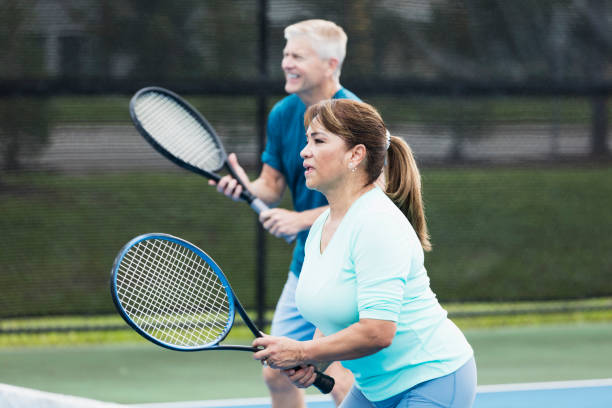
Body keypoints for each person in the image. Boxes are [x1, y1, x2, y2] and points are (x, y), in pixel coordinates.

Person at [252, 99, 477, 408]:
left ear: (355, 155)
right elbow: (329, 308)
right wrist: (314, 360)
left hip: (432, 378)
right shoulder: (321, 226)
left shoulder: (376, 224)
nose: (305, 151)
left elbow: (377, 331)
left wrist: (305, 352)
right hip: (375, 389)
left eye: (318, 141)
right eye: (307, 141)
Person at [210, 19, 358, 407]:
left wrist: (301, 220)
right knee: (277, 372)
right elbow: (271, 187)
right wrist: (244, 185)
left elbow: (368, 201)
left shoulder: (355, 118)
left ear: (329, 65)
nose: (287, 63)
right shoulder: (282, 114)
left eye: (298, 56)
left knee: (341, 379)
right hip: (306, 265)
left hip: (349, 266)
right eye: (285, 55)